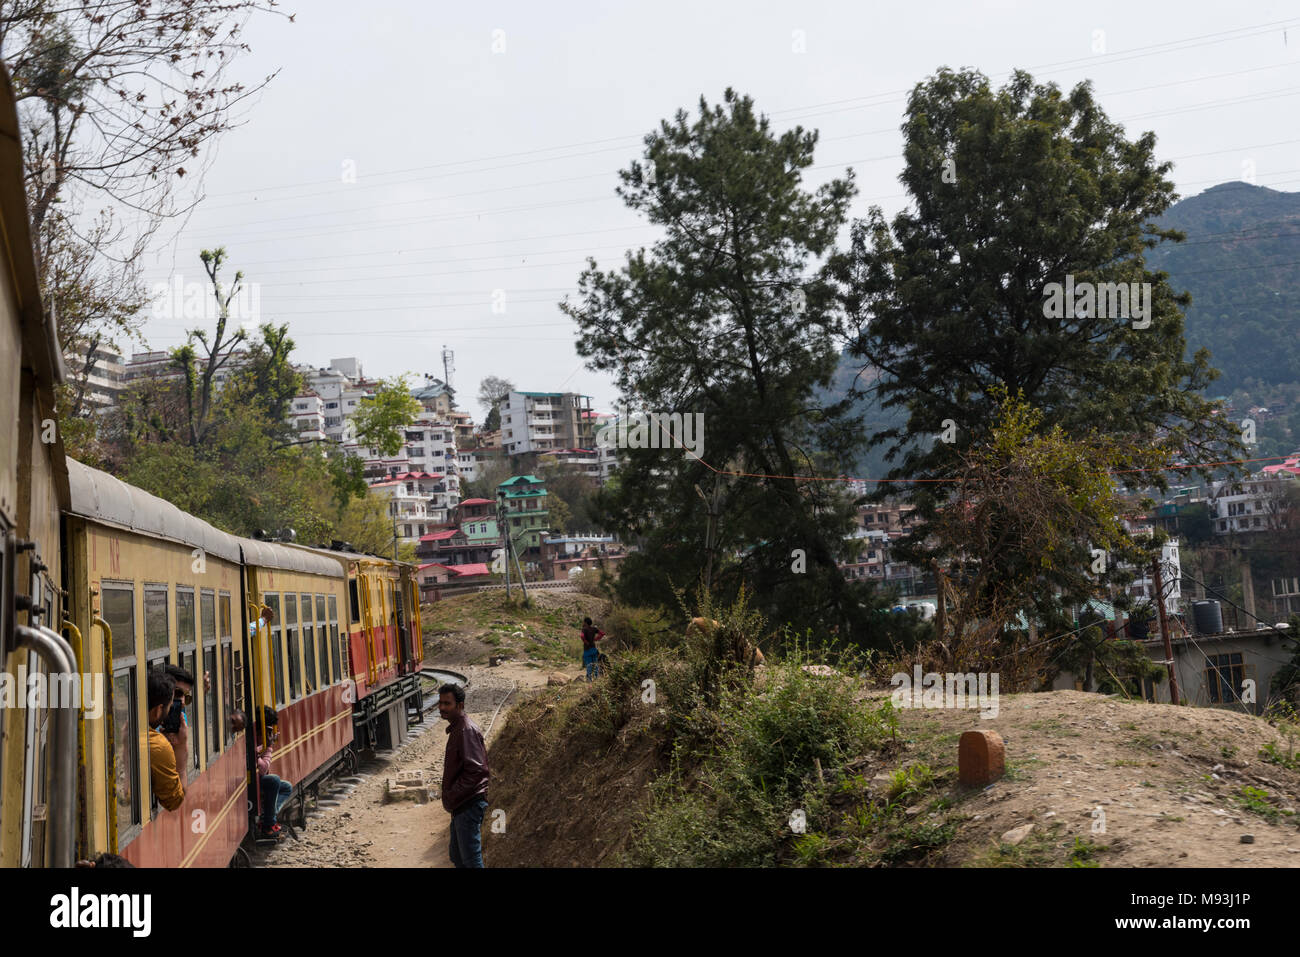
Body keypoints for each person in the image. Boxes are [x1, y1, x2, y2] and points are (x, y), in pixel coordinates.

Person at [438, 683, 489, 868]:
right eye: (440, 703)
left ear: (460, 705)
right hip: (461, 805)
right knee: (458, 857)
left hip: (468, 804)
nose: (442, 708)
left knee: (471, 860)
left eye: (447, 703)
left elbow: (477, 772)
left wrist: (452, 795)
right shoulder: (458, 728)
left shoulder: (466, 730)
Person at [146, 671, 185, 812]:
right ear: (158, 710)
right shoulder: (158, 746)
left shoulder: (127, 729)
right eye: (169, 707)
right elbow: (174, 802)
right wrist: (181, 748)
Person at [254, 705, 293, 838]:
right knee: (273, 780)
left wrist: (266, 744)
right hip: (251, 781)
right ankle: (269, 824)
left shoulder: (258, 740)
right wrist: (269, 747)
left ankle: (268, 815)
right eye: (268, 729)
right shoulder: (251, 740)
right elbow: (263, 769)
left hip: (257, 779)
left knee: (286, 787)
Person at [161, 663, 194, 772]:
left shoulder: (181, 719)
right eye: (178, 693)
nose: (183, 702)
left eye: (187, 698)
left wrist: (180, 745)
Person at [579, 617, 605, 681]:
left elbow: (582, 636)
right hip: (594, 649)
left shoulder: (584, 629)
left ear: (585, 622)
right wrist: (595, 639)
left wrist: (586, 642)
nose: (583, 623)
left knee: (589, 665)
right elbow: (602, 633)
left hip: (587, 650)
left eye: (583, 622)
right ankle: (596, 678)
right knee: (596, 664)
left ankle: (589, 679)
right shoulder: (594, 629)